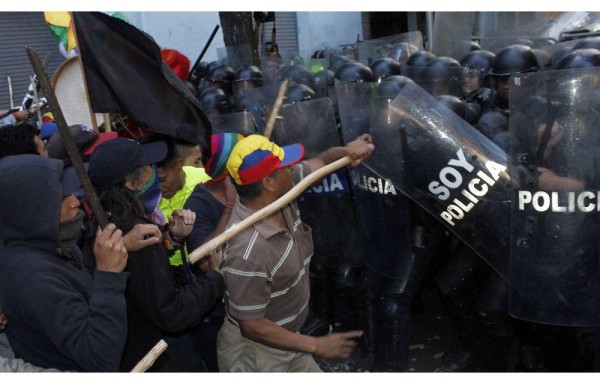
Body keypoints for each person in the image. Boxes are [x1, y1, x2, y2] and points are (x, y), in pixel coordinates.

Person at [217, 133, 374, 372]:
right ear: (268, 184)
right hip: (259, 355)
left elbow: (321, 162)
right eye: (284, 167)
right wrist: (316, 345)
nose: (292, 168)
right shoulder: (247, 251)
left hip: (290, 339)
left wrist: (347, 151)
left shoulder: (281, 190)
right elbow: (252, 325)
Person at [87, 138, 225, 372]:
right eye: (149, 167)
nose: (155, 172)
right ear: (132, 184)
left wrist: (172, 239)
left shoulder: (104, 222)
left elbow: (145, 280)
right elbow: (171, 311)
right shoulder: (135, 232)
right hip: (147, 354)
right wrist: (214, 278)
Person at [0, 154, 129, 371]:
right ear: (31, 210)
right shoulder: (35, 278)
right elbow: (101, 358)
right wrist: (109, 275)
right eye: (59, 198)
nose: (75, 202)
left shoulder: (45, 246)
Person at [183, 132, 244, 372]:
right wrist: (230, 207)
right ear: (228, 173)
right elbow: (206, 262)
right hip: (221, 317)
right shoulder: (198, 205)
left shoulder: (250, 190)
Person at [156, 136, 212, 270]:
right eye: (153, 181)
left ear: (178, 165)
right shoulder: (148, 196)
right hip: (168, 271)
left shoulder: (205, 179)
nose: (158, 187)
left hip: (202, 267)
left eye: (162, 179)